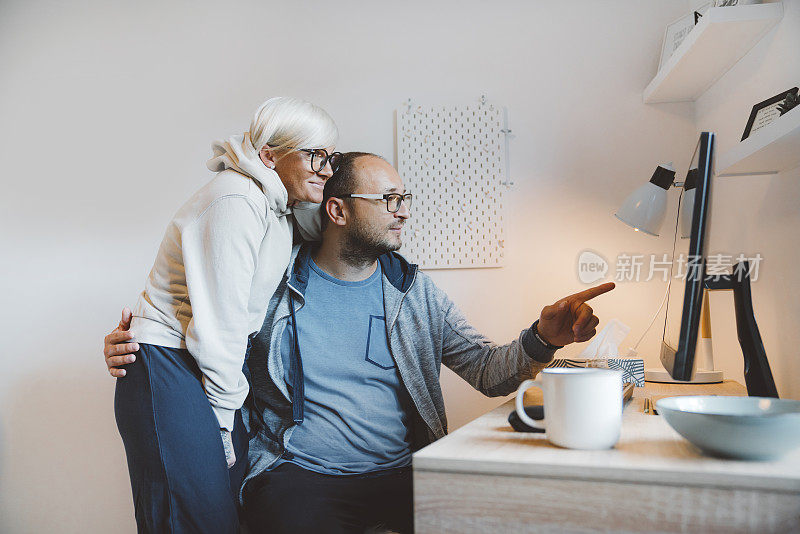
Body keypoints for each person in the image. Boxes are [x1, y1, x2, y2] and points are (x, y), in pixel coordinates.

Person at [106, 152, 613, 533]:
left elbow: (486, 370)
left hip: (405, 471)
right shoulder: (271, 286)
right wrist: (139, 341)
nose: (402, 211)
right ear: (337, 210)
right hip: (298, 476)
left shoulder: (414, 292)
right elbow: (204, 331)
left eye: (402, 199)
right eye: (387, 200)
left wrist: (544, 338)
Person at [111, 96, 340, 533]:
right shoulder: (236, 200)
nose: (326, 170)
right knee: (195, 522)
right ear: (269, 157)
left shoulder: (275, 204)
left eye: (330, 157)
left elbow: (321, 226)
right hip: (168, 363)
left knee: (221, 517)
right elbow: (222, 324)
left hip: (201, 370)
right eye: (315, 156)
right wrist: (220, 421)